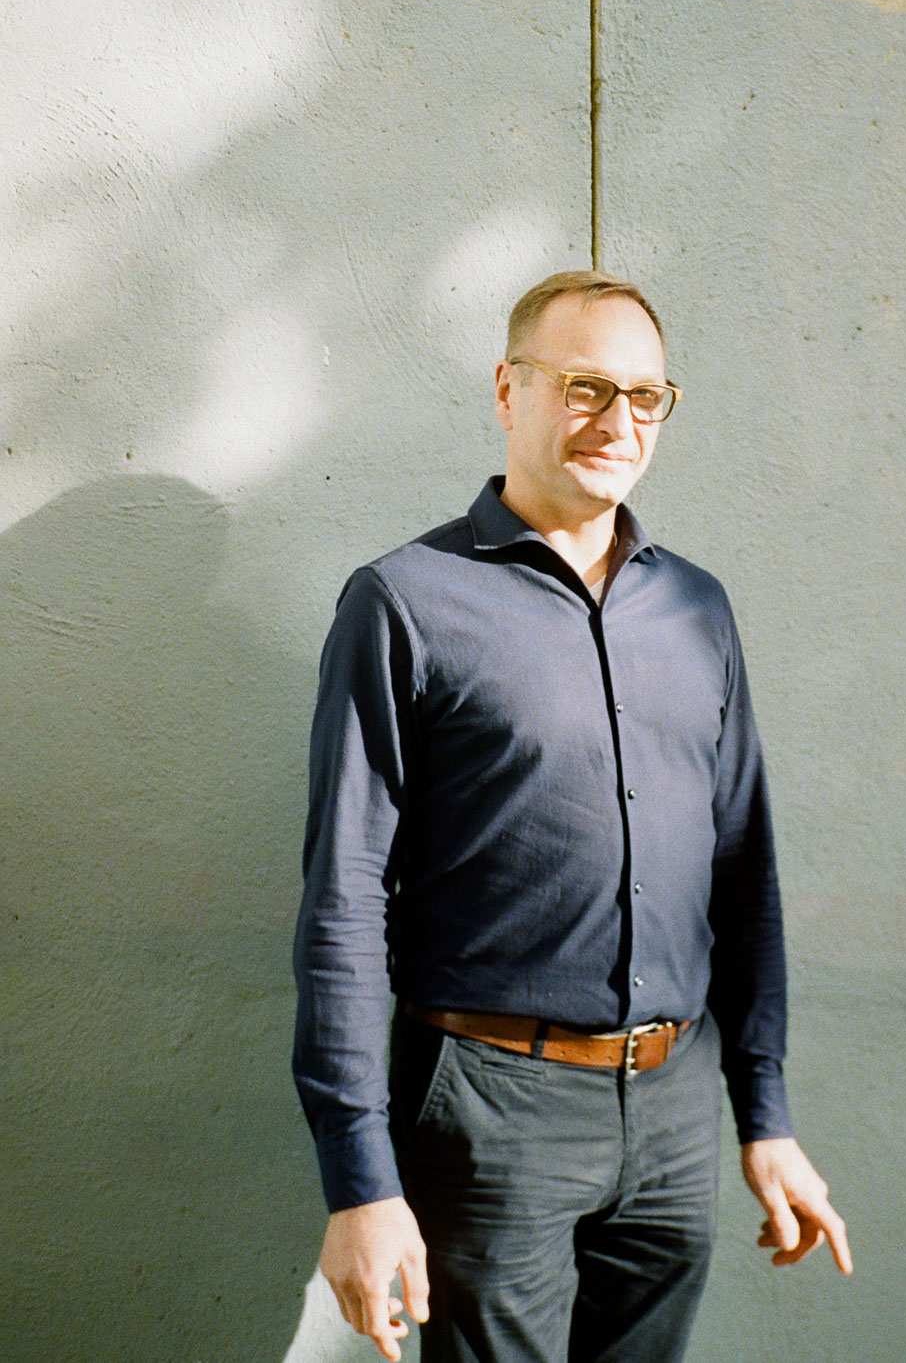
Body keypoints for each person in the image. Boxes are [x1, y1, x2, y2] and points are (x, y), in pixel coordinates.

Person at [292, 270, 851, 1363]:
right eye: (587, 386)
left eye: (647, 396)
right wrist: (360, 1180)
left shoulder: (696, 606)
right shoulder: (405, 604)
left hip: (679, 1112)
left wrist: (765, 1117)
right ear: (510, 391)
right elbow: (342, 906)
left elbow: (744, 874)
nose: (618, 421)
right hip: (492, 1115)